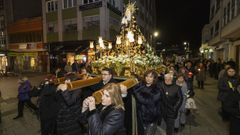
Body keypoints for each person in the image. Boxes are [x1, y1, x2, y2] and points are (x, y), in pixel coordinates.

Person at [133, 70, 161, 135]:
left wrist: (136, 93)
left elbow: (147, 101)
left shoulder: (157, 89)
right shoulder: (140, 85)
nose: (148, 78)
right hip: (140, 117)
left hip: (151, 118)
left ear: (154, 78)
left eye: (151, 77)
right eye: (147, 76)